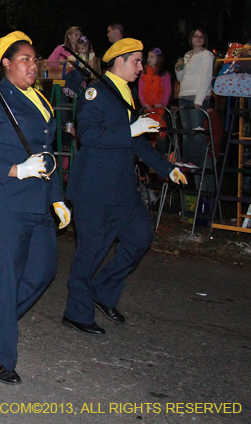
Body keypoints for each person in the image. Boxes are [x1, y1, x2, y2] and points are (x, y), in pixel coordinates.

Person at [0, 31, 70, 385]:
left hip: (35, 201)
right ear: (5, 64)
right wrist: (16, 169)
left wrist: (57, 196)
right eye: (25, 59)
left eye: (35, 59)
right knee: (6, 279)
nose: (33, 65)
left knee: (42, 272)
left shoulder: (41, 101)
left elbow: (46, 152)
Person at [63, 38, 187, 335]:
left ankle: (103, 292)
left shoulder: (124, 93)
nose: (141, 67)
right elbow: (89, 134)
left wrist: (167, 169)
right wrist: (130, 128)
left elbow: (135, 141)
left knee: (140, 237)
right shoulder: (97, 93)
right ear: (119, 61)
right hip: (96, 190)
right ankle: (76, 312)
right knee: (90, 253)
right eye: (137, 61)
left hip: (121, 189)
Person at [175, 28, 215, 165]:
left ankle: (199, 163)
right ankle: (186, 160)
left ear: (204, 40)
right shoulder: (186, 55)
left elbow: (206, 77)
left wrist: (199, 99)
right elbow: (180, 78)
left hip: (196, 96)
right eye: (195, 36)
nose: (198, 38)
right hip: (184, 95)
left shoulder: (207, 55)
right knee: (186, 131)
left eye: (201, 36)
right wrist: (178, 69)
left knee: (196, 131)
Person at [138, 48, 172, 153]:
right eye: (148, 57)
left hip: (159, 111)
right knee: (148, 137)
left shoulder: (164, 74)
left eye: (152, 57)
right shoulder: (144, 73)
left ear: (158, 58)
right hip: (148, 110)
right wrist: (144, 103)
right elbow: (141, 90)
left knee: (160, 135)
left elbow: (167, 91)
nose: (149, 59)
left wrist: (162, 104)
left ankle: (162, 159)